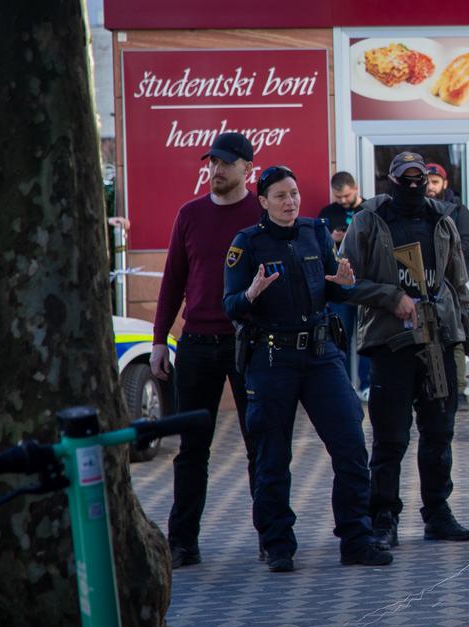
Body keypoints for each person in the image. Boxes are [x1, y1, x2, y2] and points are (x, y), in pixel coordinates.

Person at [223, 165, 392, 572]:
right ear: (263, 201)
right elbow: (230, 305)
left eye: (294, 193)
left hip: (320, 355)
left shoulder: (314, 231)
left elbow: (331, 287)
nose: (290, 202)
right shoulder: (247, 244)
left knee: (351, 445)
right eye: (280, 196)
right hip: (271, 358)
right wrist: (251, 293)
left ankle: (356, 538)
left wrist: (344, 283)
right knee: (271, 456)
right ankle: (277, 544)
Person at [341, 152, 469, 550]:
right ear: (390, 179)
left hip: (440, 341)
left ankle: (437, 514)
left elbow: (459, 285)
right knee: (390, 438)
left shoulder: (442, 219)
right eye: (404, 177)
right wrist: (391, 296)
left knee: (439, 433)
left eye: (418, 176)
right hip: (391, 343)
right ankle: (383, 516)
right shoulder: (370, 219)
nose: (412, 183)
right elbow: (344, 283)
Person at [153, 132, 261, 569]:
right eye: (212, 162)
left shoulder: (262, 213)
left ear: (247, 170)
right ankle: (182, 542)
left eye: (225, 163)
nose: (216, 170)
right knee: (192, 448)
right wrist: (160, 339)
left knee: (262, 444)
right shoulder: (190, 214)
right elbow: (172, 278)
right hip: (196, 343)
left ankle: (271, 536)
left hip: (249, 342)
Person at [425, 162, 469, 411]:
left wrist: (442, 261)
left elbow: (466, 244)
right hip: (425, 286)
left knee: (456, 340)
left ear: (444, 183)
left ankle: (459, 390)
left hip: (453, 286)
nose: (430, 186)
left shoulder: (458, 210)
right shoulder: (418, 210)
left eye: (435, 182)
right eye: (427, 181)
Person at [318, 171, 371, 399]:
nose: (342, 201)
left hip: (366, 282)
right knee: (341, 335)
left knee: (368, 335)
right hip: (340, 285)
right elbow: (318, 246)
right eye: (338, 197)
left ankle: (368, 384)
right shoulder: (328, 213)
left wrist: (352, 237)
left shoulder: (370, 210)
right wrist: (332, 238)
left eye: (346, 196)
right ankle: (345, 386)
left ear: (356, 188)